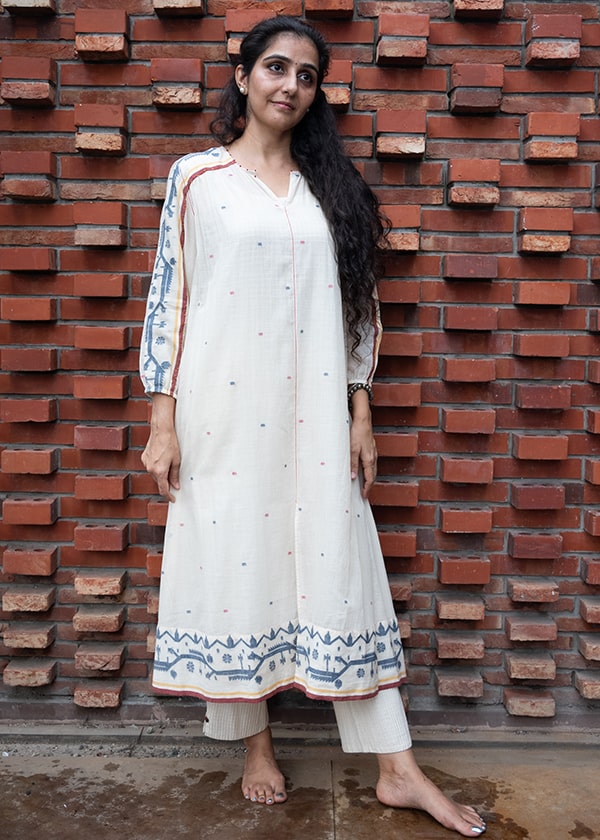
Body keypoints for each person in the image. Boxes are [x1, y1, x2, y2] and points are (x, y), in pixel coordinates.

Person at [139, 15, 486, 837]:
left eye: (305, 75)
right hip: (222, 415)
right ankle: (256, 746)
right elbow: (170, 298)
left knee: (344, 569)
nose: (289, 85)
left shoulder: (330, 187)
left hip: (318, 414)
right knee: (236, 567)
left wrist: (360, 410)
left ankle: (398, 769)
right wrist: (163, 418)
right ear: (242, 77)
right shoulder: (198, 179)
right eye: (275, 67)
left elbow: (360, 308)